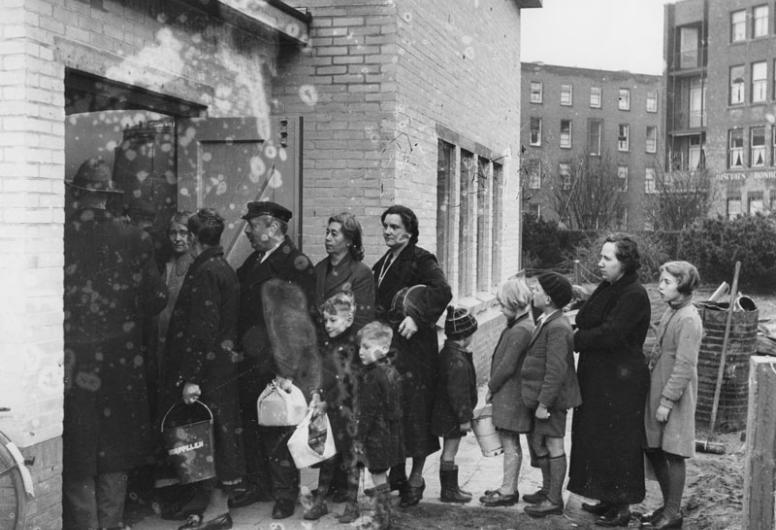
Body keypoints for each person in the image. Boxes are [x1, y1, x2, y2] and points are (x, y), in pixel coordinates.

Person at [63, 158, 167, 530]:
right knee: (114, 451)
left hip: (72, 360)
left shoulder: (59, 235)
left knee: (76, 448)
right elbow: (155, 300)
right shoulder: (134, 238)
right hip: (120, 362)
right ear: (108, 197)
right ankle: (109, 525)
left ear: (76, 195)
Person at [163, 209, 246, 530]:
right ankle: (209, 505)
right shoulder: (219, 266)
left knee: (210, 438)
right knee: (212, 436)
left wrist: (192, 379)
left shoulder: (207, 271)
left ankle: (217, 510)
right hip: (220, 368)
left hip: (210, 374)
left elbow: (202, 330)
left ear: (195, 239)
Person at [234, 201, 317, 518]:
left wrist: (288, 370)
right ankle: (260, 484)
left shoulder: (296, 264)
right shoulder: (255, 259)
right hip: (253, 360)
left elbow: (301, 321)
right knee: (256, 425)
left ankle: (285, 495)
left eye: (252, 226)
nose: (247, 232)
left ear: (271, 228)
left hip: (282, 363)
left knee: (282, 429)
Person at [568, 234, 651, 527]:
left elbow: (611, 334)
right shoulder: (610, 287)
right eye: (601, 257)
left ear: (624, 263)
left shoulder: (634, 294)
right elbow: (589, 316)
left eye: (607, 258)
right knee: (600, 438)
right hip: (601, 378)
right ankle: (607, 496)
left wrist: (576, 339)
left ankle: (623, 507)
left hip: (621, 383)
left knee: (619, 442)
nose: (600, 263)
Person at [372, 205, 452, 507]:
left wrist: (418, 317)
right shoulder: (382, 264)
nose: (388, 232)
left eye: (394, 227)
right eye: (386, 226)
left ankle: (416, 478)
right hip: (390, 349)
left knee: (416, 413)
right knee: (394, 411)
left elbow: (443, 290)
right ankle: (398, 475)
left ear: (409, 230)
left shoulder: (421, 259)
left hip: (415, 350)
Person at [643, 261, 702, 530]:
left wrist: (667, 401)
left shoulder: (689, 318)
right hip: (657, 389)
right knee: (653, 446)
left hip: (674, 396)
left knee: (673, 453)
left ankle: (673, 514)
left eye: (667, 282)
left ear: (683, 286)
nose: (660, 286)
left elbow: (684, 365)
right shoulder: (671, 312)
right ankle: (667, 507)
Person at [521, 273, 581, 518]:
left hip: (553, 401)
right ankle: (547, 491)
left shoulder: (557, 326)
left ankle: (554, 499)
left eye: (535, 289)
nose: (532, 293)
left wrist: (544, 403)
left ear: (547, 297)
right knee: (543, 443)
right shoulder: (548, 319)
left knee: (554, 444)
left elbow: (556, 371)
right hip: (546, 399)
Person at [304, 292, 362, 522]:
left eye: (333, 320)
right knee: (327, 455)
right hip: (329, 411)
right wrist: (316, 393)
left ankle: (352, 504)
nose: (327, 325)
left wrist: (329, 401)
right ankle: (321, 502)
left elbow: (350, 383)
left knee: (351, 458)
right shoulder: (327, 344)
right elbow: (323, 373)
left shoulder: (354, 347)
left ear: (348, 320)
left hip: (349, 412)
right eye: (325, 320)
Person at [480, 278, 535, 508]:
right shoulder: (521, 325)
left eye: (503, 304)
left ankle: (508, 490)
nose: (501, 309)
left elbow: (507, 366)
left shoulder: (520, 330)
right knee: (511, 441)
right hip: (511, 395)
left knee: (510, 442)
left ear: (515, 302)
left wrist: (491, 387)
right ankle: (508, 486)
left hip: (510, 395)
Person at [355, 321, 404, 530]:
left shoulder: (372, 377)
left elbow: (367, 412)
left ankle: (381, 520)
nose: (360, 352)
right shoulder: (391, 370)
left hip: (376, 435)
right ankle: (383, 518)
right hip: (390, 433)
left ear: (383, 348)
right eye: (360, 347)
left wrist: (358, 437)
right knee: (380, 475)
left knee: (377, 476)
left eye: (366, 347)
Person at [431, 306, 479, 503]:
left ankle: (451, 488)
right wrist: (464, 418)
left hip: (446, 412)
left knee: (450, 450)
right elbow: (459, 394)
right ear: (464, 335)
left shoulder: (448, 353)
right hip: (452, 415)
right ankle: (449, 491)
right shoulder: (457, 361)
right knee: (450, 451)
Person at [314, 212, 375, 332]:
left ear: (349, 241)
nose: (327, 238)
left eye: (334, 234)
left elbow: (362, 320)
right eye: (327, 233)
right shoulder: (319, 269)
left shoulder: (361, 274)